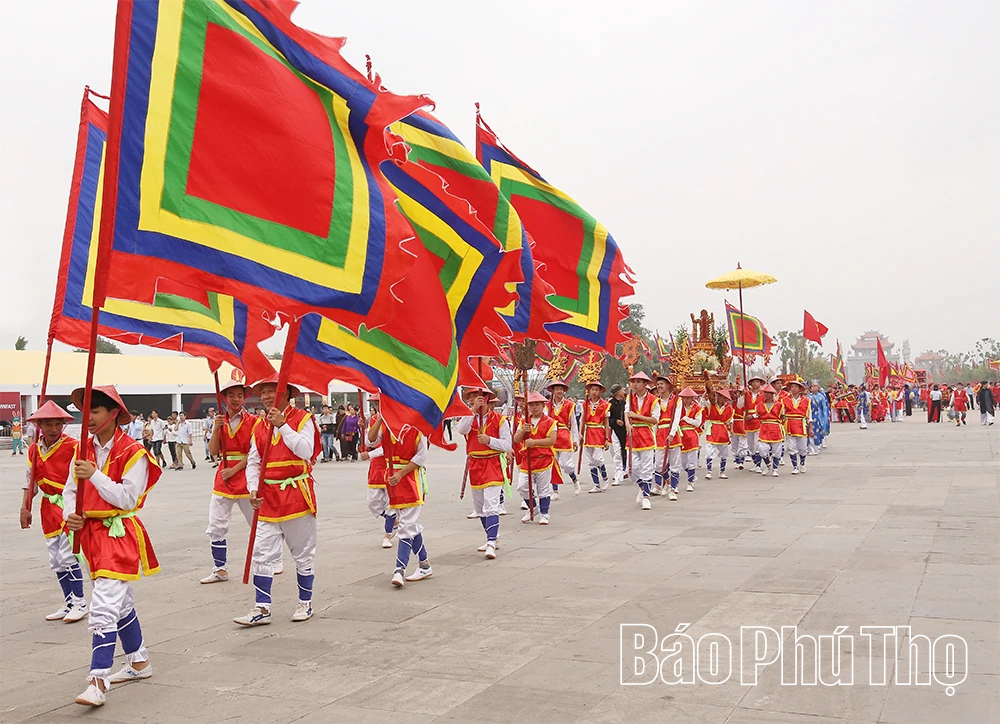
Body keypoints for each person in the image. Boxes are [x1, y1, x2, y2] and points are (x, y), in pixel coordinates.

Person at [63, 385, 160, 707]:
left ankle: (97, 680)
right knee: (121, 604)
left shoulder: (134, 452)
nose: (88, 417)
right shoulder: (82, 450)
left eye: (96, 410)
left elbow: (127, 498)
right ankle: (139, 661)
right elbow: (69, 491)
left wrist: (96, 475)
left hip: (118, 533)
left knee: (104, 605)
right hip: (90, 533)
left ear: (114, 413)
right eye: (85, 410)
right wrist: (70, 516)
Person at [234, 375, 319, 626]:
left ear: (287, 393)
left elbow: (306, 451)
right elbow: (254, 461)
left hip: (295, 494)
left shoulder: (304, 419)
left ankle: (305, 602)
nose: (267, 396)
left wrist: (283, 425)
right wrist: (252, 488)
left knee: (302, 553)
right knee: (262, 553)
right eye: (264, 392)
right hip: (267, 497)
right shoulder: (259, 425)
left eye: (273, 391)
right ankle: (262, 607)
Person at [19, 401, 88, 623]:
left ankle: (80, 602)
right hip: (48, 507)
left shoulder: (73, 446)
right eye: (48, 424)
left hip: (68, 505)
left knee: (69, 556)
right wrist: (25, 507)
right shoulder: (34, 449)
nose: (53, 429)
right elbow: (31, 482)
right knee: (56, 559)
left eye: (57, 424)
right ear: (39, 425)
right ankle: (68, 602)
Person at [372, 417, 433, 587]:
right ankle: (424, 564)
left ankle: (400, 569)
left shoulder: (417, 428)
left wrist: (401, 473)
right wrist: (379, 420)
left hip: (410, 480)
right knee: (410, 525)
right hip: (392, 480)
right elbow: (371, 441)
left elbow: (422, 457)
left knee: (406, 526)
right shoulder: (386, 425)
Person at [456, 387, 512, 558]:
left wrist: (489, 441)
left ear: (486, 398)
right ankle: (492, 537)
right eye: (470, 397)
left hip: (492, 463)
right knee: (479, 508)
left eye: (476, 396)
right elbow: (461, 430)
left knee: (491, 504)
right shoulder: (468, 417)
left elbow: (507, 445)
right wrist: (472, 411)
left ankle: (491, 543)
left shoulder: (501, 420)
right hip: (475, 464)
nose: (473, 399)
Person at [514, 392, 559, 523]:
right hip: (527, 460)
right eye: (531, 405)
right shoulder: (524, 421)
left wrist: (534, 442)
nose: (534, 407)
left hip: (543, 459)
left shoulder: (550, 422)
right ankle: (533, 508)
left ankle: (545, 513)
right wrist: (523, 430)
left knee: (543, 489)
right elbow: (516, 439)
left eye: (537, 404)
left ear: (543, 405)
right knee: (522, 487)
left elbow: (552, 440)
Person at [362, 394, 396, 548]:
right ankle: (394, 519)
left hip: (392, 464)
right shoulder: (374, 419)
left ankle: (388, 534)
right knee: (373, 503)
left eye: (379, 402)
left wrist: (370, 454)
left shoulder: (397, 418)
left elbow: (391, 446)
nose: (376, 406)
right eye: (375, 403)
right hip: (376, 467)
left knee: (390, 503)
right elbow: (370, 441)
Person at [544, 380, 579, 497]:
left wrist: (575, 440)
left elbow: (574, 423)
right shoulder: (547, 406)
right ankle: (555, 490)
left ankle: (574, 479)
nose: (559, 391)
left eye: (561, 389)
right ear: (552, 391)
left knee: (565, 464)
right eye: (556, 389)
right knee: (553, 463)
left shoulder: (569, 405)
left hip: (564, 436)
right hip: (551, 435)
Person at [580, 381, 612, 494]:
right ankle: (596, 484)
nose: (594, 392)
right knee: (590, 461)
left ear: (599, 392)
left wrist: (607, 438)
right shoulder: (585, 404)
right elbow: (582, 420)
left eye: (596, 390)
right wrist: (580, 433)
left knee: (598, 458)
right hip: (588, 432)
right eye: (592, 389)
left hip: (599, 432)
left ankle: (605, 477)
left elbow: (607, 423)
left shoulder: (605, 405)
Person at [652, 373, 680, 496]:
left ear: (668, 386)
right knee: (658, 463)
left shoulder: (677, 400)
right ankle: (660, 485)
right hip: (660, 434)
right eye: (657, 384)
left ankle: (673, 488)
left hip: (672, 433)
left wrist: (672, 433)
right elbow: (654, 420)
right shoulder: (656, 401)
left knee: (674, 463)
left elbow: (677, 418)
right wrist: (653, 436)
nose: (659, 386)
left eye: (661, 384)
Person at [782, 378, 812, 474]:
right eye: (792, 387)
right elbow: (782, 414)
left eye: (796, 387)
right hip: (789, 424)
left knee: (802, 448)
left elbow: (809, 416)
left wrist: (811, 429)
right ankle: (795, 466)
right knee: (791, 447)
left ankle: (802, 463)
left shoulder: (807, 401)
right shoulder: (784, 400)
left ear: (800, 389)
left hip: (801, 425)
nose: (793, 389)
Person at [704, 387, 733, 480]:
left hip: (722, 430)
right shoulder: (710, 405)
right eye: (720, 396)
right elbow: (704, 402)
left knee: (724, 452)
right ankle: (709, 471)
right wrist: (706, 393)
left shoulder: (729, 408)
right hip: (712, 428)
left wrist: (731, 430)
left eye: (724, 397)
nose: (721, 398)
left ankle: (722, 471)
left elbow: (730, 420)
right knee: (709, 451)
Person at [677, 387, 703, 491]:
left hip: (692, 434)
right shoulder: (678, 407)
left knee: (691, 461)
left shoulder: (697, 408)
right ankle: (692, 476)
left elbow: (697, 423)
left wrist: (686, 419)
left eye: (689, 398)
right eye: (684, 398)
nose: (686, 400)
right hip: (681, 435)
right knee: (683, 463)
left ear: (692, 398)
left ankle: (690, 482)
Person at [756, 384, 785, 477]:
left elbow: (783, 416)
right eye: (765, 393)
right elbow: (757, 415)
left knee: (777, 450)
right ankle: (768, 465)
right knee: (762, 448)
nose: (766, 395)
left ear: (772, 394)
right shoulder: (759, 405)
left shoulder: (779, 405)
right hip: (764, 428)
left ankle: (775, 469)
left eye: (769, 393)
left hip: (776, 428)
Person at [742, 375, 766, 473]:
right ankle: (755, 462)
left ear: (760, 384)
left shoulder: (763, 395)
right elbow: (740, 405)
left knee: (757, 443)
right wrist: (741, 395)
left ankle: (758, 465)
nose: (755, 383)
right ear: (750, 384)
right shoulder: (746, 394)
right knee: (750, 445)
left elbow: (765, 408)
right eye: (753, 381)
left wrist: (754, 416)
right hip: (748, 421)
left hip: (758, 420)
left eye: (757, 381)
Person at [608, 384, 628, 485]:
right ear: (617, 392)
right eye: (622, 389)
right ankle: (618, 475)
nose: (624, 390)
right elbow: (607, 420)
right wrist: (615, 421)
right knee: (617, 453)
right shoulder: (610, 404)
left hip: (627, 430)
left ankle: (627, 469)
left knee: (626, 452)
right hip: (615, 431)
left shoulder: (626, 402)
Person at [808, 381, 830, 454]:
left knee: (819, 430)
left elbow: (824, 407)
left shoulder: (821, 396)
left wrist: (825, 416)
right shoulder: (808, 397)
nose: (813, 387)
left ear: (818, 387)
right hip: (811, 415)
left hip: (819, 415)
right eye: (812, 386)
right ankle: (811, 447)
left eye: (815, 386)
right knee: (811, 431)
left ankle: (818, 445)